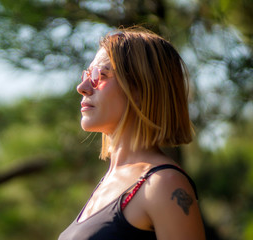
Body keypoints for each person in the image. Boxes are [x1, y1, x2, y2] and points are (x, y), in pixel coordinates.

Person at [58, 26, 206, 240]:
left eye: (100, 75)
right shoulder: (107, 182)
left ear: (140, 89)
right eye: (88, 74)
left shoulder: (164, 184)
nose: (82, 87)